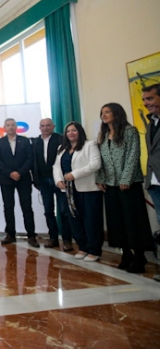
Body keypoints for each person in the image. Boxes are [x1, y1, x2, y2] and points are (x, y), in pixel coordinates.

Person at [96, 103, 154, 271]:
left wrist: (126, 178)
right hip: (110, 184)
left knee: (133, 220)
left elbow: (133, 155)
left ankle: (140, 256)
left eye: (107, 112)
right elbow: (101, 160)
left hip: (128, 184)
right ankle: (126, 253)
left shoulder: (130, 131)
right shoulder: (104, 134)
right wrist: (100, 179)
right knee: (117, 222)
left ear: (117, 113)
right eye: (102, 112)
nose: (104, 115)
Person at [53, 122, 103, 262]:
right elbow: (56, 166)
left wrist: (74, 174)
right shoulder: (61, 148)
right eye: (68, 131)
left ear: (80, 131)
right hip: (68, 191)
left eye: (74, 130)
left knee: (91, 220)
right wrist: (58, 181)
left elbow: (95, 164)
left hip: (87, 189)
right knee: (74, 219)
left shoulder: (90, 145)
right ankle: (83, 247)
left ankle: (94, 250)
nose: (71, 133)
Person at [0, 118, 38, 247]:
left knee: (27, 207)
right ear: (4, 127)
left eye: (13, 125)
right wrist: (10, 173)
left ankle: (31, 235)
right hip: (6, 179)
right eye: (8, 125)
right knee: (8, 207)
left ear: (16, 127)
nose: (10, 127)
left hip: (23, 178)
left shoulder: (25, 141)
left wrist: (19, 172)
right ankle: (10, 234)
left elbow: (30, 159)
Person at [32, 118, 73, 250]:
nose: (45, 128)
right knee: (48, 211)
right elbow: (33, 163)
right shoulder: (35, 142)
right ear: (39, 128)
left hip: (60, 180)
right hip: (43, 181)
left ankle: (67, 239)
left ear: (53, 126)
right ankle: (53, 237)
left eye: (48, 125)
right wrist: (35, 180)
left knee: (63, 210)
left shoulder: (62, 140)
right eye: (42, 126)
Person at [141, 83, 160, 281]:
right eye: (145, 100)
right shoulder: (151, 123)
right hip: (154, 182)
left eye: (151, 98)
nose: (147, 103)